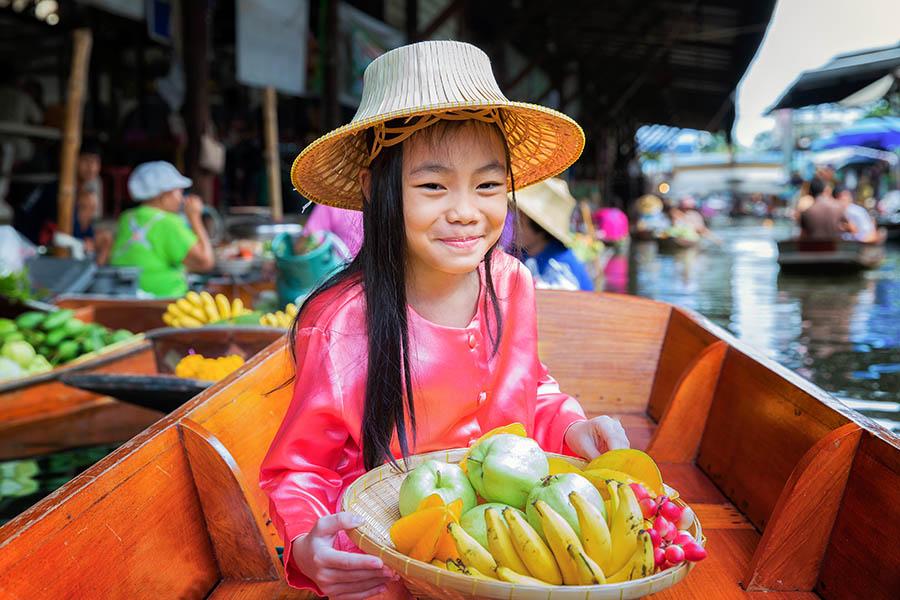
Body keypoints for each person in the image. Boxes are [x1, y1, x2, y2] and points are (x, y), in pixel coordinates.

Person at [259, 41, 629, 600]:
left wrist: (573, 427)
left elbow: (534, 386)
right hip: (387, 561)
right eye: (433, 185)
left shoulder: (511, 282)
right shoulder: (339, 321)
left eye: (487, 185)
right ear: (374, 189)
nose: (465, 210)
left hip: (507, 545)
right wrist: (310, 547)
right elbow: (301, 470)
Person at [109, 161, 215, 297]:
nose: (182, 199)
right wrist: (195, 218)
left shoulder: (126, 218)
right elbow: (205, 262)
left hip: (127, 296)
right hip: (164, 301)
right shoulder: (168, 222)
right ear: (164, 195)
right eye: (179, 192)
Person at [13, 139, 104, 244]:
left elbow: (85, 233)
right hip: (31, 245)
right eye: (86, 160)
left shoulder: (83, 190)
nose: (91, 167)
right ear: (73, 160)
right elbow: (60, 234)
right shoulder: (59, 190)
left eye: (96, 161)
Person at [514, 178, 595, 291]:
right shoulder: (521, 254)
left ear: (539, 227)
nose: (513, 226)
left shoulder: (561, 267)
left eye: (520, 223)